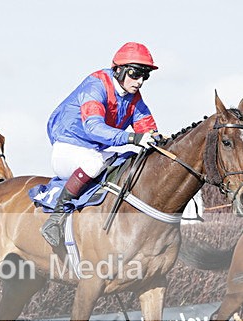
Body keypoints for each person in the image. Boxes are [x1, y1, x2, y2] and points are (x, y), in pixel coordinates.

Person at [41, 42, 164, 247]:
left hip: (95, 151)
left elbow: (148, 128)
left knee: (129, 162)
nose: (140, 81)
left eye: (145, 76)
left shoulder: (133, 98)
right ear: (119, 70)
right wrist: (133, 138)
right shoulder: (95, 86)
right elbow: (94, 128)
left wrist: (158, 140)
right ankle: (55, 218)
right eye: (135, 74)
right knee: (94, 163)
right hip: (67, 148)